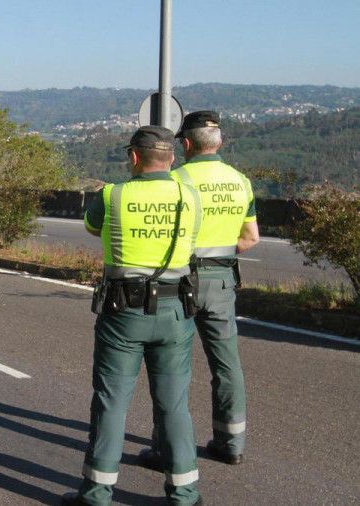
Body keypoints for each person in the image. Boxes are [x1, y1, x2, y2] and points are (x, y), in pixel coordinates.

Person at [63, 126, 203, 506]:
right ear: (171, 158)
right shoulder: (189, 196)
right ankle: (185, 494)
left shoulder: (111, 195)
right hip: (176, 312)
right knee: (174, 404)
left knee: (111, 402)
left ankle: (96, 495)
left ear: (134, 157)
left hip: (124, 311)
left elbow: (93, 227)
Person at [138, 111, 259, 471]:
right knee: (226, 363)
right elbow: (250, 238)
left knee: (171, 367)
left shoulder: (175, 180)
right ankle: (231, 442)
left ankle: (166, 448)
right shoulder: (241, 181)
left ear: (186, 144)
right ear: (218, 142)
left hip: (180, 282)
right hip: (222, 280)